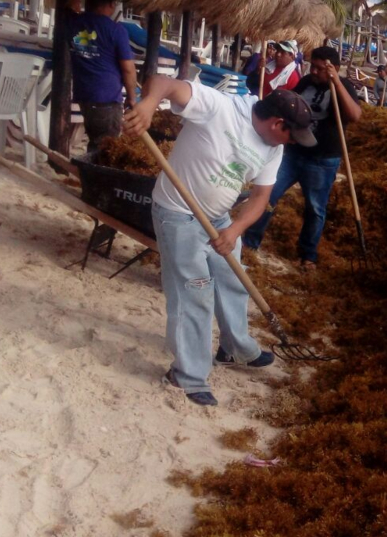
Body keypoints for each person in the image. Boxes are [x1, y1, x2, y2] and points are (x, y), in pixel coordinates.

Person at [123, 76, 317, 407]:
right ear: (276, 122)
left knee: (232, 278)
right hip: (177, 212)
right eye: (292, 134)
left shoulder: (274, 148)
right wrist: (148, 104)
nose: (294, 143)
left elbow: (260, 197)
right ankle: (187, 376)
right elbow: (165, 83)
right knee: (193, 290)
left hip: (220, 219)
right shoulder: (220, 107)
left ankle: (235, 349)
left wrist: (235, 229)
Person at [243, 46, 362, 270]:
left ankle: (308, 255)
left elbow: (355, 116)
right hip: (292, 153)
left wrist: (336, 82)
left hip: (322, 159)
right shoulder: (306, 82)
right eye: (312, 67)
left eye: (320, 68)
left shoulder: (344, 86)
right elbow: (290, 103)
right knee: (269, 195)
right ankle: (250, 241)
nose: (314, 72)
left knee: (315, 208)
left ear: (333, 68)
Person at [69, 0, 137, 151]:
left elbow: (70, 7)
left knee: (95, 141)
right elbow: (128, 69)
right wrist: (132, 98)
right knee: (107, 147)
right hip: (106, 98)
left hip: (84, 95)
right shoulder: (115, 30)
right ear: (111, 4)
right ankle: (93, 175)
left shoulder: (73, 23)